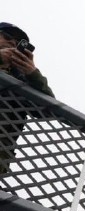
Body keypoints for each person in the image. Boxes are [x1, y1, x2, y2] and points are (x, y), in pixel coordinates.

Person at [0, 23, 54, 175]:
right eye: (7, 36)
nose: (13, 42)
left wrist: (33, 74)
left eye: (18, 42)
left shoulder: (20, 81)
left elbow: (47, 111)